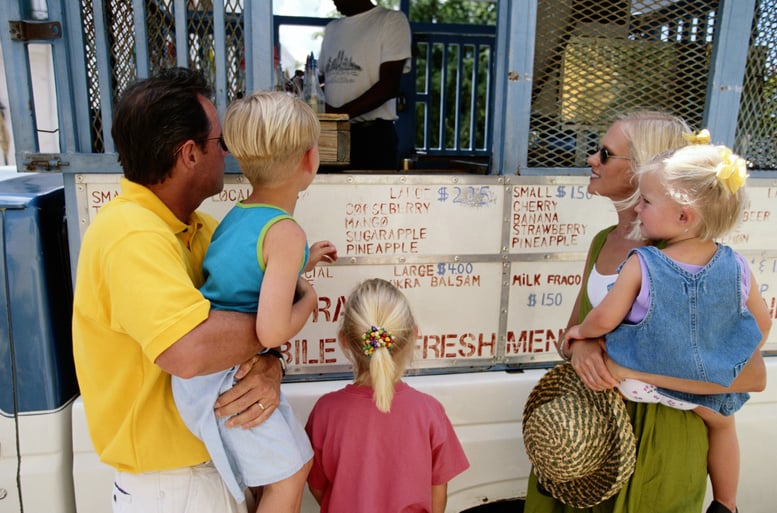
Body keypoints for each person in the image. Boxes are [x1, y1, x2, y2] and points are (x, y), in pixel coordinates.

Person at [524, 111, 768, 513]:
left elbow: (750, 373)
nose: (592, 159)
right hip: (586, 436)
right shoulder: (605, 240)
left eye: (606, 152)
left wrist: (625, 367)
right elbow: (573, 331)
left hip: (661, 440)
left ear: (643, 171)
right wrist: (581, 349)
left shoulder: (678, 259)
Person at [72, 68, 285, 513]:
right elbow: (190, 349)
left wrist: (270, 365)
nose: (227, 154)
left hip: (211, 467)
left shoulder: (200, 229)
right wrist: (281, 323)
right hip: (174, 487)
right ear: (189, 153)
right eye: (219, 143)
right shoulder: (129, 234)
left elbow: (244, 329)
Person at [171, 91, 338, 513]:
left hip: (206, 378)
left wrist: (304, 260)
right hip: (225, 377)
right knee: (292, 472)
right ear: (309, 159)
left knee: (273, 477)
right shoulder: (286, 233)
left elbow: (249, 276)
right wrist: (310, 300)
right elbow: (271, 330)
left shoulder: (239, 215)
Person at [305, 278, 470, 513]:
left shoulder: (325, 412)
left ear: (344, 340)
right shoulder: (430, 411)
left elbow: (317, 486)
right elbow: (437, 497)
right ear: (413, 335)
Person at [319, 0, 412, 170]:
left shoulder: (391, 21)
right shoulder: (332, 28)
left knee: (368, 195)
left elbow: (389, 85)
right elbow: (325, 80)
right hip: (332, 134)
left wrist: (340, 114)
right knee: (329, 193)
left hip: (372, 136)